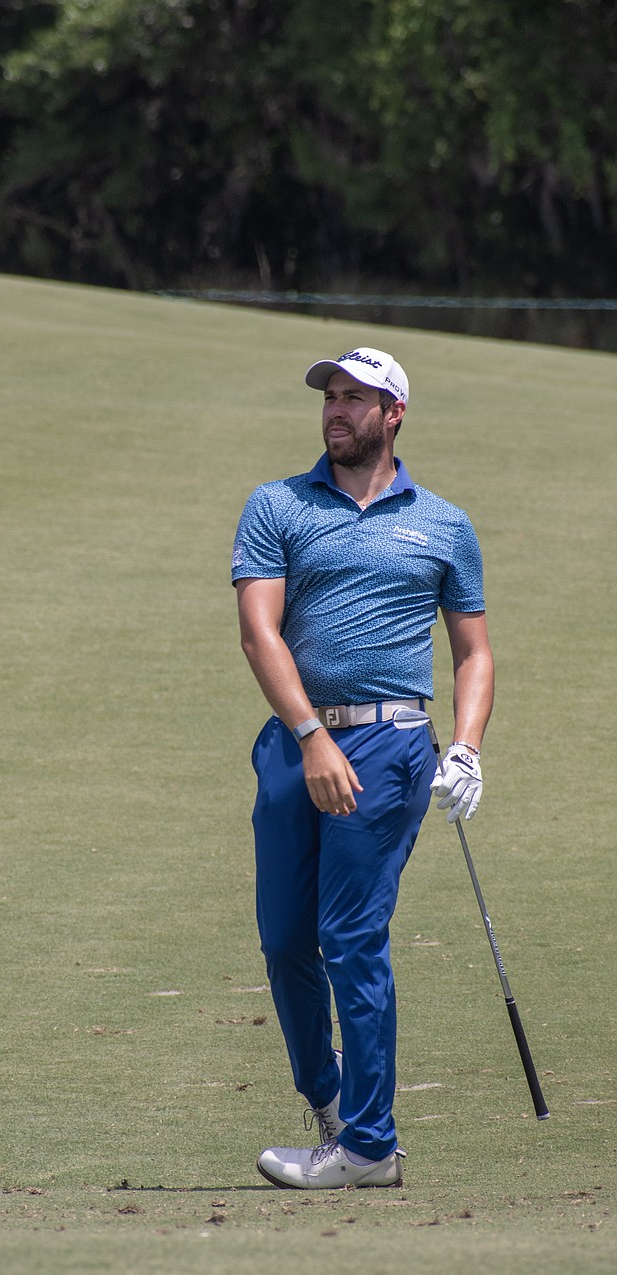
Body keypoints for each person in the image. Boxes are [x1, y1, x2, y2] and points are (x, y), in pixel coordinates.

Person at [231, 346, 494, 1189]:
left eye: (357, 398)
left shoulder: (444, 522)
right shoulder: (277, 504)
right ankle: (334, 1106)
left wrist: (466, 746)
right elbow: (258, 631)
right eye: (330, 396)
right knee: (283, 939)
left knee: (349, 936)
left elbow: (474, 652)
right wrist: (309, 736)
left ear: (394, 414)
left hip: (388, 745)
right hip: (295, 739)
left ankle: (371, 1148)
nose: (337, 409)